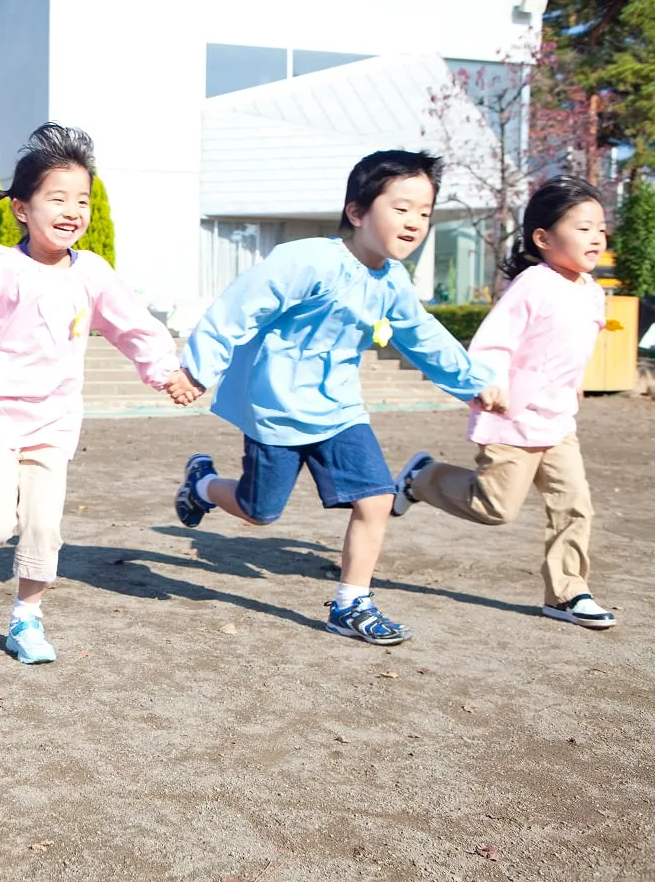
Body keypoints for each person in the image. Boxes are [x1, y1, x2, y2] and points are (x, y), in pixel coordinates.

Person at [172, 150, 505, 646]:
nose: (414, 223)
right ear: (356, 211)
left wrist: (473, 381)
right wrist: (197, 368)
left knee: (377, 498)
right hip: (277, 410)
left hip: (341, 410)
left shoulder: (392, 281)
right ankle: (202, 485)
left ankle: (351, 603)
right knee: (260, 511)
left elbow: (422, 335)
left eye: (425, 213)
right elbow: (239, 308)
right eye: (401, 208)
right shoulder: (308, 260)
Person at [0, 124, 194, 664]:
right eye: (56, 199)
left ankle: (27, 619)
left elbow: (133, 325)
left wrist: (165, 372)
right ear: (22, 208)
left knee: (43, 524)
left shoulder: (92, 273)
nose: (72, 211)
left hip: (54, 417)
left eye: (81, 201)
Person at [393, 176, 616, 629]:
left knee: (574, 504)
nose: (597, 237)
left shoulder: (591, 288)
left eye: (601, 228)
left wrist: (573, 383)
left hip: (557, 423)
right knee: (495, 508)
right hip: (512, 418)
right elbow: (494, 343)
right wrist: (488, 384)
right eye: (584, 227)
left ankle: (567, 592)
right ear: (544, 238)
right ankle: (422, 478)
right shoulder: (534, 284)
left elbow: (570, 345)